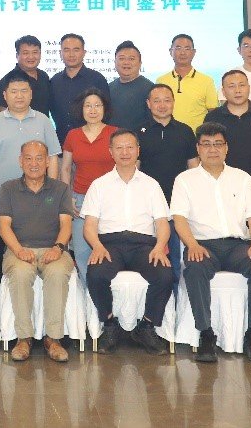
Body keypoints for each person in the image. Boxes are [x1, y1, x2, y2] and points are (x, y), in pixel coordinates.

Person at [172, 122, 251, 364]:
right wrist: (192, 245)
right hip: (202, 245)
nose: (213, 149)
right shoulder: (185, 180)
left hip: (238, 246)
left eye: (218, 144)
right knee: (195, 269)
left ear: (227, 148)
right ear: (198, 148)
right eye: (206, 144)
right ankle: (206, 334)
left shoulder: (242, 178)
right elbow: (179, 219)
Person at [83, 129, 174, 355]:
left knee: (164, 275)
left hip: (144, 245)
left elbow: (162, 224)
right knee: (96, 273)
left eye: (130, 147)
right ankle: (109, 325)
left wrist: (159, 247)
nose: (125, 152)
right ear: (111, 152)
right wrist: (97, 246)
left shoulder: (151, 185)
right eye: (119, 148)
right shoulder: (99, 185)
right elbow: (90, 225)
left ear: (138, 151)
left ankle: (147, 326)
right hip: (109, 245)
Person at [0, 140, 76, 363]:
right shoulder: (8, 188)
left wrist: (58, 248)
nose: (34, 163)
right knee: (21, 273)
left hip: (54, 249)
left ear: (48, 161)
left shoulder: (60, 189)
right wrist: (18, 250)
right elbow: (4, 227)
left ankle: (53, 339)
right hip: (19, 250)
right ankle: (24, 338)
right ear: (20, 161)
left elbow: (66, 225)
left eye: (39, 158)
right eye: (28, 158)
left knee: (57, 272)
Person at [135, 83, 197, 268]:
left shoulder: (185, 131)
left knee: (176, 255)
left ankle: (176, 285)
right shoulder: (138, 132)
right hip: (147, 203)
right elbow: (134, 169)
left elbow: (193, 167)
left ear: (173, 102)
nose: (162, 105)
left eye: (167, 100)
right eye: (157, 101)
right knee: (151, 253)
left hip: (178, 201)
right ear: (148, 103)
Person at [58, 88, 117, 281]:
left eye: (97, 105)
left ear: (104, 109)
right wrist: (68, 198)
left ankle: (105, 293)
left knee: (109, 250)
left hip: (110, 200)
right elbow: (66, 168)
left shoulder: (115, 133)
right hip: (80, 199)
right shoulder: (73, 135)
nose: (93, 110)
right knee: (82, 252)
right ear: (81, 109)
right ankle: (88, 291)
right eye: (88, 106)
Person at [0, 72, 61, 204]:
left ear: (31, 94)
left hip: (38, 196)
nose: (19, 96)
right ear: (5, 95)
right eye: (14, 91)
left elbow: (52, 158)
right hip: (1, 197)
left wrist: (51, 191)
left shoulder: (43, 121)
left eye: (24, 91)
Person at [204, 70, 251, 187]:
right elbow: (206, 153)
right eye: (231, 86)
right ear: (223, 92)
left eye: (242, 85)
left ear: (249, 88)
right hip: (223, 184)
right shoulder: (213, 117)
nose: (238, 90)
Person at [50, 33, 110, 142]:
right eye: (66, 50)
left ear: (84, 53)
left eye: (76, 50)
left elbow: (107, 113)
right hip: (60, 142)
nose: (71, 54)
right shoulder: (54, 81)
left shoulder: (97, 79)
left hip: (91, 142)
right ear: (60, 53)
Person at [156, 33, 218, 130]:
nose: (182, 53)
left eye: (187, 48)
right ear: (170, 51)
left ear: (194, 52)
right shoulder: (161, 81)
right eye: (178, 48)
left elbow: (213, 113)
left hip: (196, 136)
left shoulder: (207, 81)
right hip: (168, 134)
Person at [0, 35, 51, 115]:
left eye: (35, 52)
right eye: (26, 53)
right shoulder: (8, 80)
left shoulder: (44, 76)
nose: (31, 57)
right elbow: (3, 113)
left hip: (43, 122)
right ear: (17, 56)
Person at [108, 40, 154, 130]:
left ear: (140, 63)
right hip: (112, 138)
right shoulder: (109, 88)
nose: (126, 62)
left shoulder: (150, 89)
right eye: (121, 58)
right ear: (115, 62)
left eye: (131, 59)